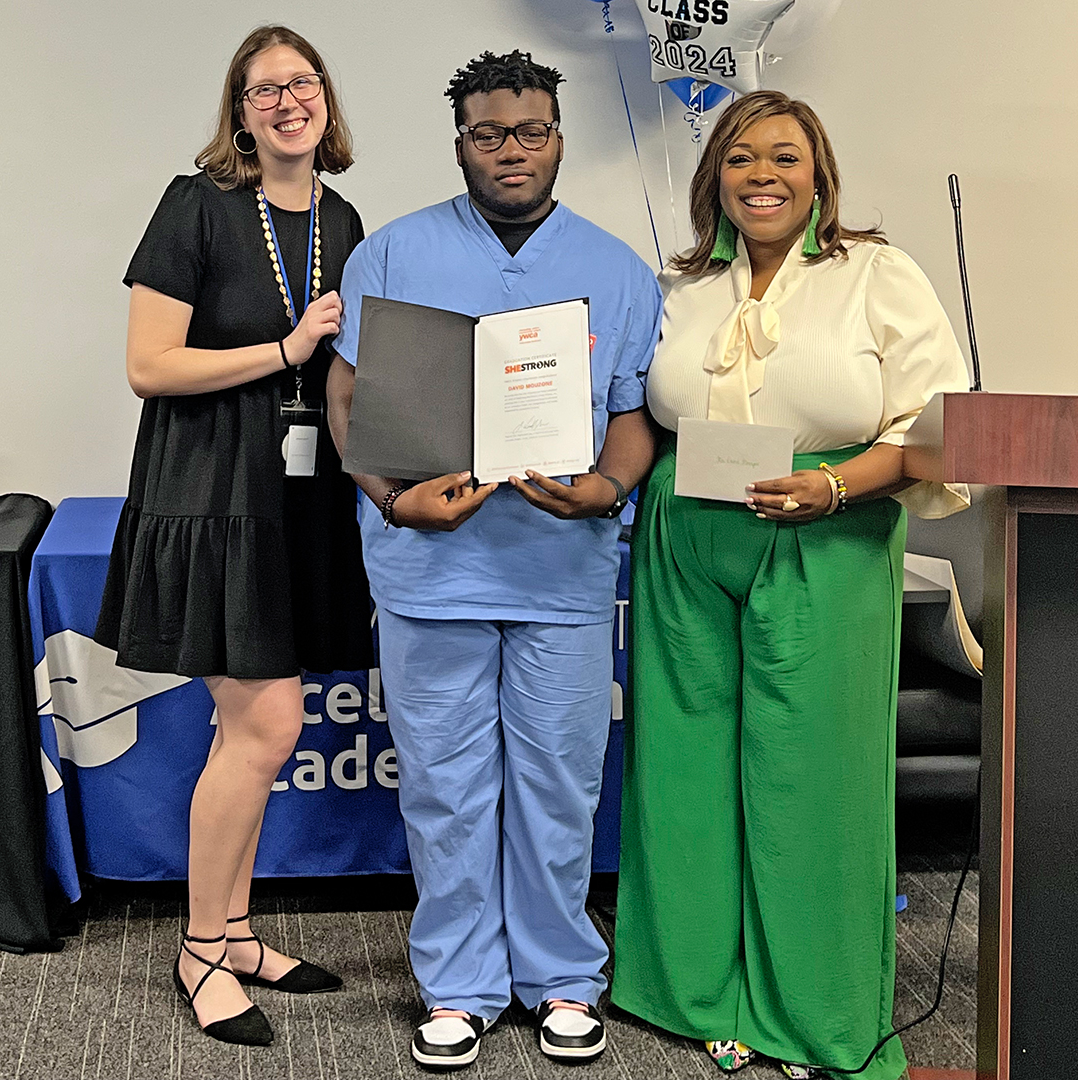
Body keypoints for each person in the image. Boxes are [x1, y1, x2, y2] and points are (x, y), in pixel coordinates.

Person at [610, 91, 970, 1080]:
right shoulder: (680, 285)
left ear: (820, 175)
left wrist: (834, 484)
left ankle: (809, 1010)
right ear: (712, 177)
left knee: (811, 780)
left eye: (784, 156)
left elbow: (939, 423)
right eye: (739, 157)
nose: (761, 174)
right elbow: (636, 407)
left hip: (829, 532)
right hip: (687, 536)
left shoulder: (877, 274)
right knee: (681, 773)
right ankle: (686, 991)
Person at [326, 50, 661, 1071]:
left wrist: (605, 488)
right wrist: (391, 496)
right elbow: (347, 405)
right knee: (445, 783)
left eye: (531, 131)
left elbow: (634, 418)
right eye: (489, 133)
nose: (511, 150)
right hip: (431, 571)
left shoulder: (616, 269)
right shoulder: (392, 254)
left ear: (558, 137)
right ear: (461, 139)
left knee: (562, 782)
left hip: (561, 572)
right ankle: (461, 985)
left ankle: (562, 974)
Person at [95, 26, 372, 1047]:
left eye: (302, 84)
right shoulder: (196, 205)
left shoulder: (340, 218)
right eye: (264, 90)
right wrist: (284, 348)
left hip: (299, 500)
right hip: (209, 495)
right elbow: (150, 366)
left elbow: (353, 370)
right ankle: (202, 949)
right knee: (264, 729)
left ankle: (239, 929)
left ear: (326, 102)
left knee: (249, 731)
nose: (286, 101)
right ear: (240, 110)